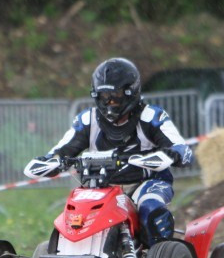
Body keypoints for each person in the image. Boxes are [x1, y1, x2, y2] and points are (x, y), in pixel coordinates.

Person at [28, 57, 193, 245]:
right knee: (75, 215)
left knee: (150, 209)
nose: (110, 102)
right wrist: (51, 160)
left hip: (148, 182)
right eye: (105, 97)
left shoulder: (152, 116)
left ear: (130, 92)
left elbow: (182, 149)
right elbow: (62, 149)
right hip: (101, 186)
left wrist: (172, 154)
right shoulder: (87, 120)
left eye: (115, 96)